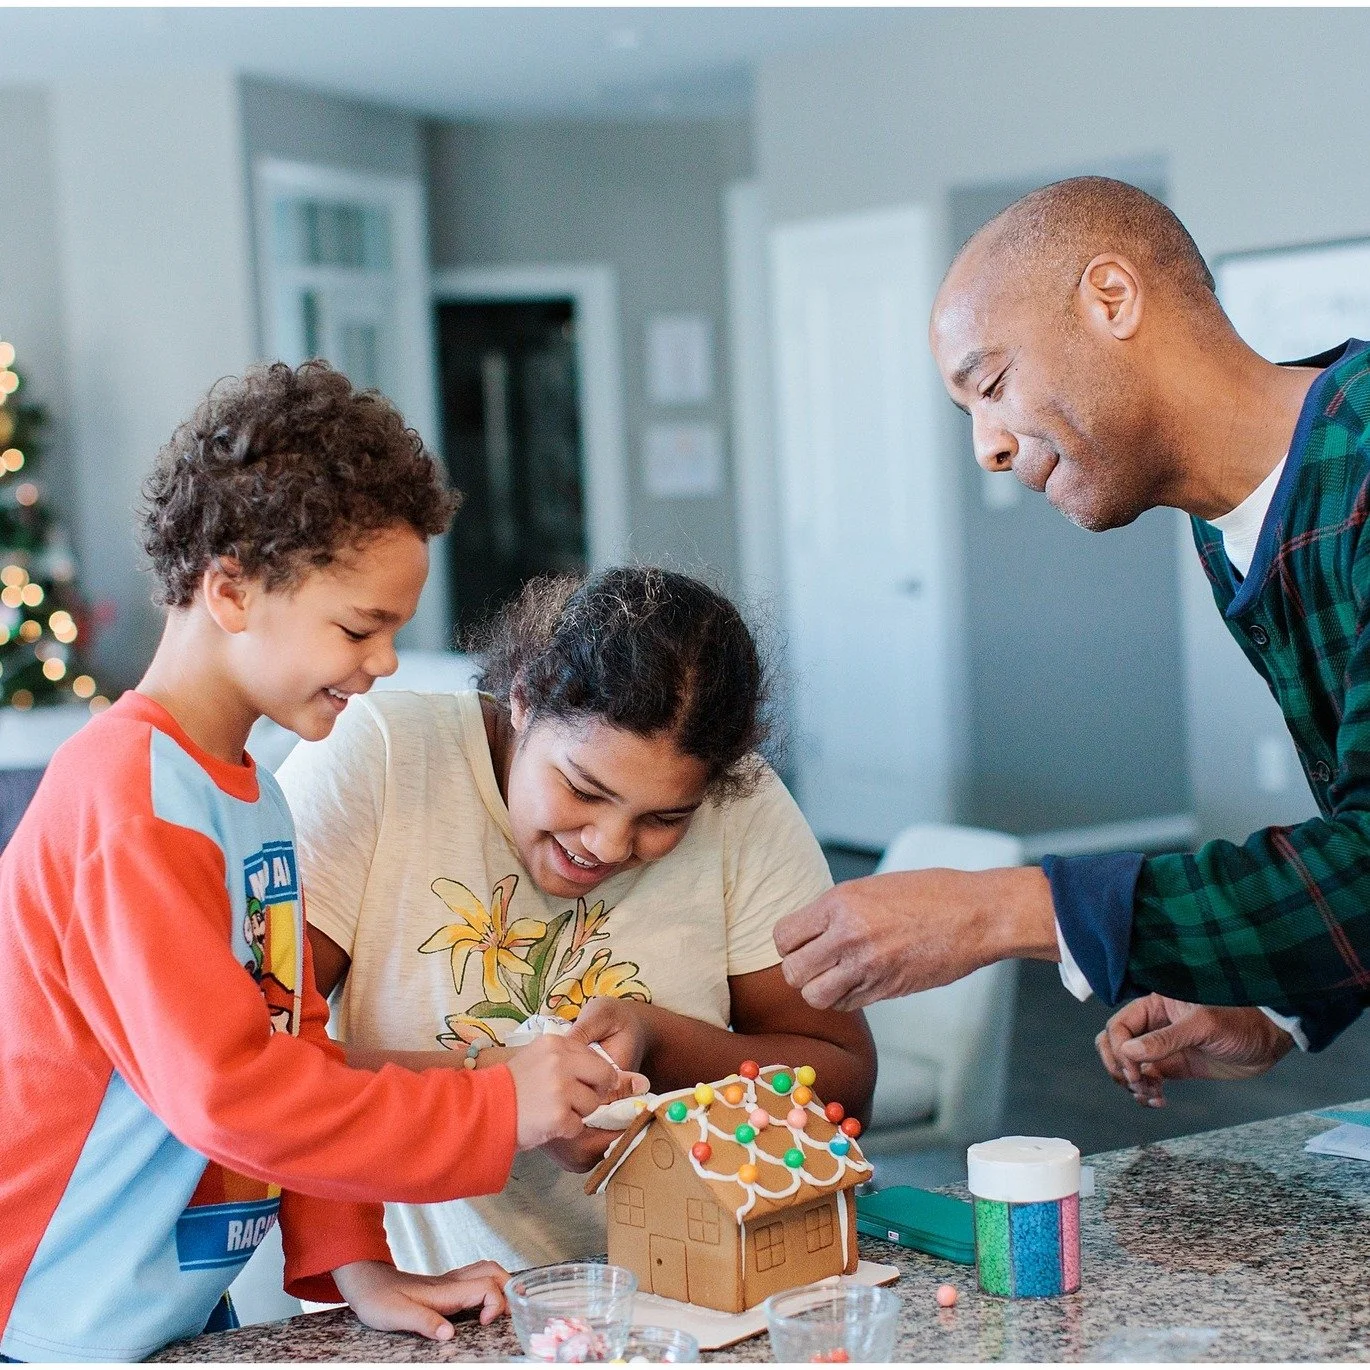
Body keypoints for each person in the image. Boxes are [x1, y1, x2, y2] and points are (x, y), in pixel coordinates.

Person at [0, 361, 629, 1363]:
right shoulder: (129, 805)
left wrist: (357, 1261)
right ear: (231, 588)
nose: (383, 661)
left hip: (163, 1314)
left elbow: (289, 1051)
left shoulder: (255, 800)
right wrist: (496, 1103)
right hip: (49, 1324)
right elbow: (234, 1092)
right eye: (358, 625)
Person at [774, 175, 1370, 1076]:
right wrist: (1280, 1004)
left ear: (1112, 298)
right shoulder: (1237, 534)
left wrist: (1002, 911)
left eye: (995, 383)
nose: (989, 447)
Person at [276, 566, 878, 1275]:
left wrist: (655, 1040)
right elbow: (260, 1061)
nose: (608, 845)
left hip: (695, 1293)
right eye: (583, 790)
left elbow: (842, 1082)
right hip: (448, 1301)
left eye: (665, 819)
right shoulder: (380, 757)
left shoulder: (742, 805)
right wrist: (498, 1091)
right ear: (524, 699)